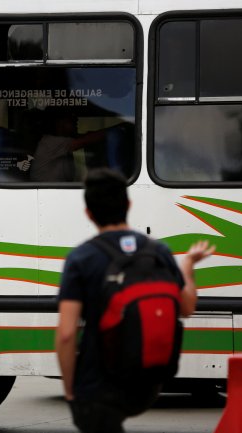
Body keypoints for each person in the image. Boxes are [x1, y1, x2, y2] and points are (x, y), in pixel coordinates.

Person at [55, 168, 215, 433]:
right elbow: (186, 308)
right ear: (128, 205)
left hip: (100, 384)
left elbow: (66, 333)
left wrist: (71, 389)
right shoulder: (158, 250)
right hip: (148, 383)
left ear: (89, 214)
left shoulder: (81, 259)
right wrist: (187, 265)